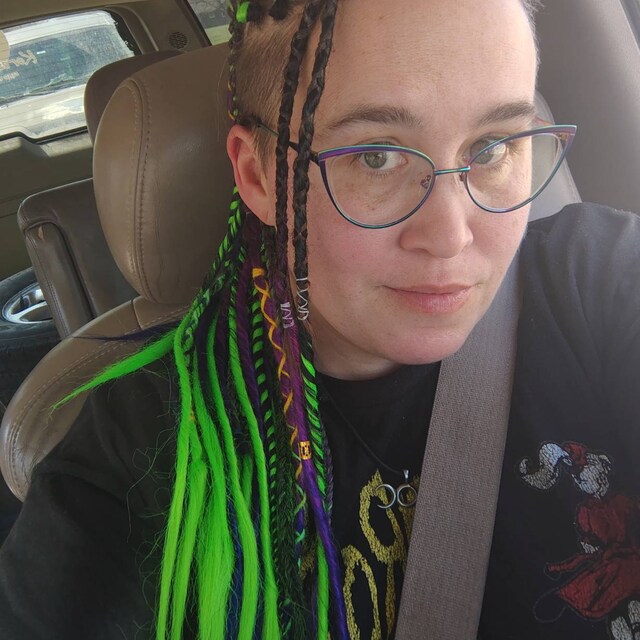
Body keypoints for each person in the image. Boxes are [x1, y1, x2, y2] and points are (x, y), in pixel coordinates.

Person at [1, 0, 639, 638]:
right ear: (259, 176)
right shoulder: (147, 453)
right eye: (376, 156)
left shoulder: (599, 276)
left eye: (493, 146)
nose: (450, 237)